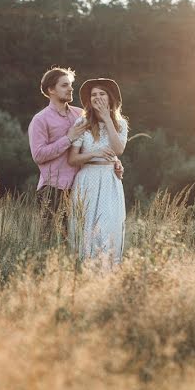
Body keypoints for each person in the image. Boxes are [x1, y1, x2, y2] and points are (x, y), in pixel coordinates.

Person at [27, 67, 123, 239]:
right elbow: (38, 155)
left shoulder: (80, 114)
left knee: (79, 240)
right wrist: (68, 139)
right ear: (51, 90)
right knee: (51, 240)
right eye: (65, 85)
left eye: (70, 85)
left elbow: (98, 144)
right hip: (54, 188)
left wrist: (114, 161)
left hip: (83, 187)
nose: (71, 89)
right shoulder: (40, 120)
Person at [68, 78, 128, 264]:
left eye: (102, 94)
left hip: (110, 180)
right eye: (94, 94)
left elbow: (118, 150)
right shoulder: (82, 122)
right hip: (88, 179)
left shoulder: (120, 123)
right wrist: (96, 153)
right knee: (86, 228)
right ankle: (83, 270)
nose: (97, 97)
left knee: (108, 228)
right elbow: (72, 159)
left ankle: (107, 274)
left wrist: (108, 118)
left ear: (110, 98)